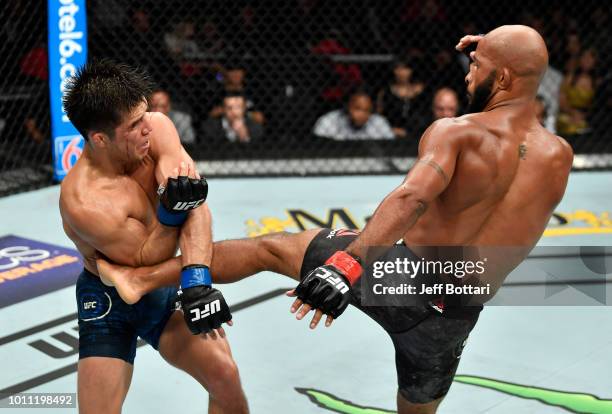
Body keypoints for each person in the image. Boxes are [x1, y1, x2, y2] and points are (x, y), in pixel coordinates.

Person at [96, 26, 573, 414]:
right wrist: (491, 50)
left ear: (505, 78)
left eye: (476, 67)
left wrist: (348, 267)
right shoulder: (559, 155)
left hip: (400, 278)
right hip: (455, 314)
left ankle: (139, 280)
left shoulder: (456, 132)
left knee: (270, 248)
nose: (468, 74)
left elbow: (411, 198)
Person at [59, 60, 248, 414]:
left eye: (145, 113)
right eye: (134, 125)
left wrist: (196, 283)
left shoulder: (157, 126)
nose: (148, 127)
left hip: (160, 288)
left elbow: (195, 205)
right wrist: (174, 210)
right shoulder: (83, 201)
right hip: (109, 297)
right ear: (100, 138)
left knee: (225, 375)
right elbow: (147, 256)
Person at [313, 90, 395, 140]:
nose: (362, 114)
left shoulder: (379, 122)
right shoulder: (329, 121)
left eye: (367, 110)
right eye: (357, 108)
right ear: (347, 107)